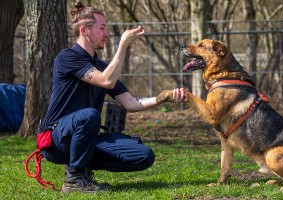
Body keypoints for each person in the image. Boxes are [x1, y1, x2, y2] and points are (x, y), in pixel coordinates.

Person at [39, 2, 187, 193]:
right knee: (89, 115)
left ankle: (82, 166)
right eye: (102, 28)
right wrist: (123, 46)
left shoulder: (102, 66)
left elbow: (131, 103)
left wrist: (163, 97)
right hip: (57, 138)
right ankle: (74, 180)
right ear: (84, 30)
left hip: (85, 135)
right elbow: (106, 81)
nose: (107, 33)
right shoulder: (67, 57)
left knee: (144, 155)